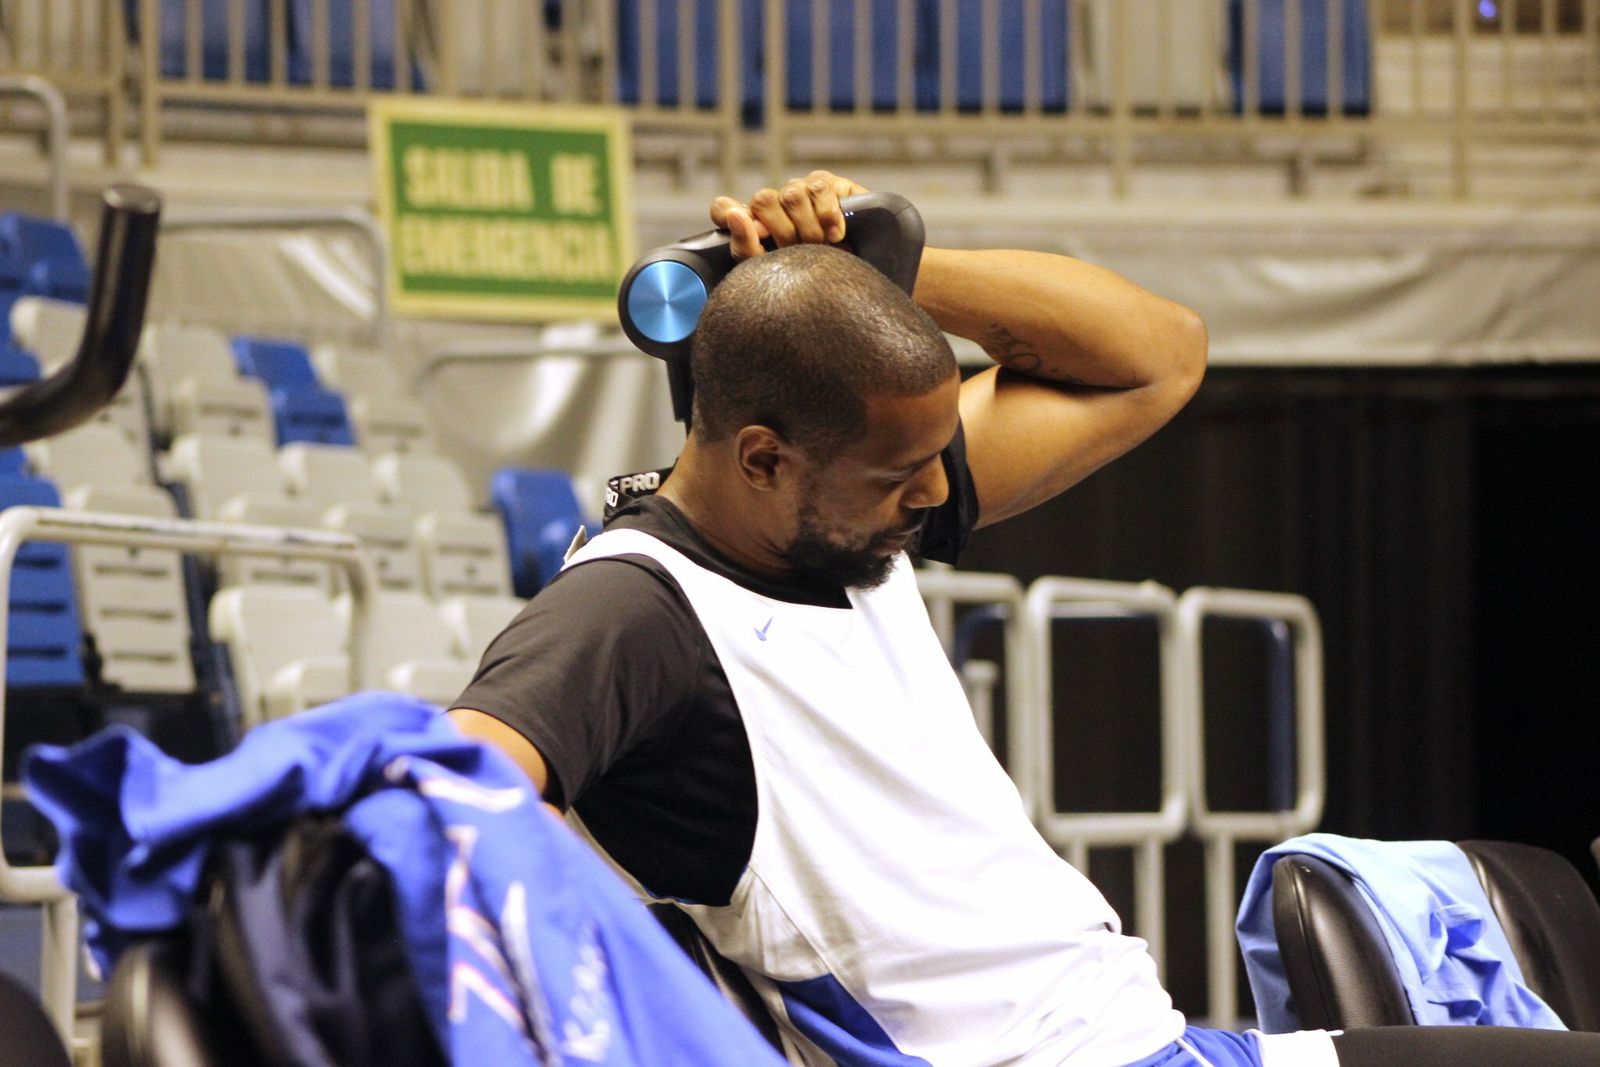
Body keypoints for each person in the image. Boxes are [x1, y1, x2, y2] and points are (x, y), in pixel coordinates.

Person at [450, 172, 1600, 1066]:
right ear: (760, 456)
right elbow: (450, 793)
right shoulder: (631, 610)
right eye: (903, 471)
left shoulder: (838, 516)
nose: (939, 494)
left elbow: (1157, 358)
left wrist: (887, 261)